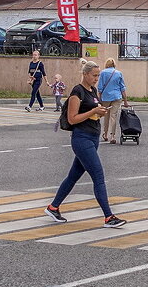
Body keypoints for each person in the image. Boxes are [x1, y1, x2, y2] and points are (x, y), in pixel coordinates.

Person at [45, 61, 126, 227]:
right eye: (94, 75)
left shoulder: (93, 90)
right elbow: (72, 119)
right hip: (81, 138)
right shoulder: (77, 92)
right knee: (98, 175)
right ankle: (108, 217)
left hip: (92, 137)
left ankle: (53, 207)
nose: (97, 78)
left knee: (73, 176)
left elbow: (90, 113)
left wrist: (99, 112)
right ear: (86, 74)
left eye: (98, 75)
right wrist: (94, 111)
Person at [97, 59, 127, 144]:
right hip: (117, 96)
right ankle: (112, 136)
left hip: (106, 97)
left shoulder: (103, 73)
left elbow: (100, 87)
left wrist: (99, 98)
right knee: (113, 116)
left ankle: (105, 134)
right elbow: (122, 88)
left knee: (106, 115)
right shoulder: (119, 73)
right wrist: (125, 101)